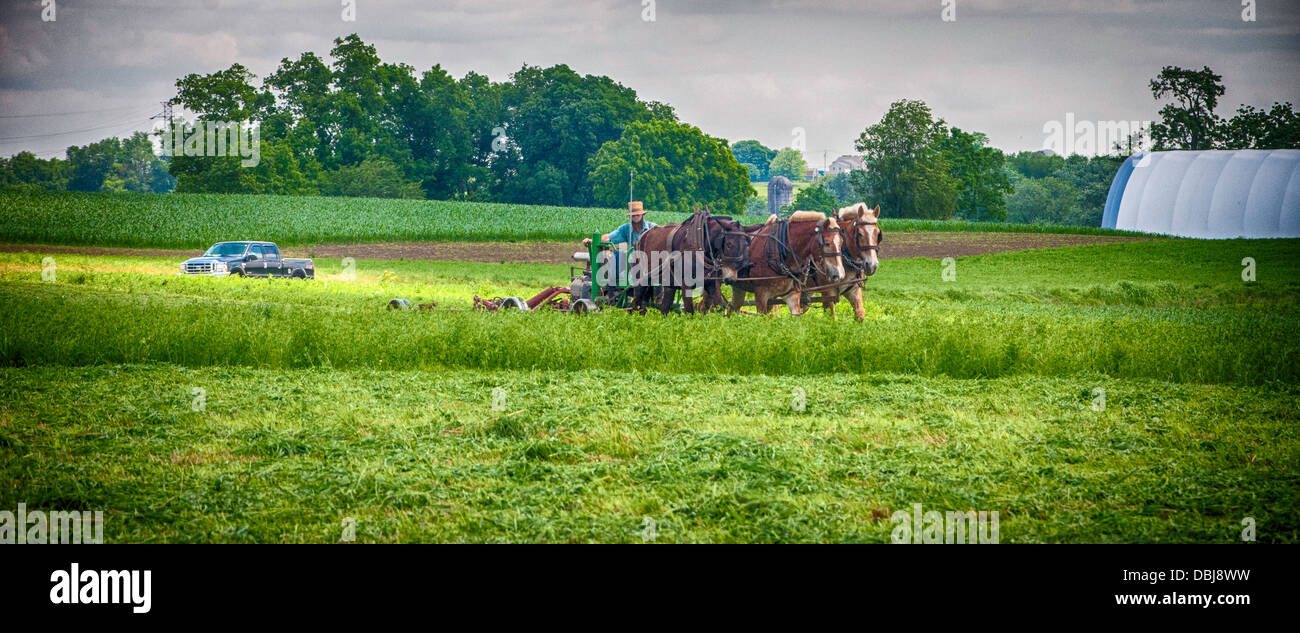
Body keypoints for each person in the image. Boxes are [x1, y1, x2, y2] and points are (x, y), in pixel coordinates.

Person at [583, 201, 658, 249]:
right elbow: (609, 237)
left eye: (638, 215)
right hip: (634, 264)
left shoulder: (653, 228)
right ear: (630, 216)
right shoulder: (625, 229)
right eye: (633, 215)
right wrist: (592, 241)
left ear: (642, 215)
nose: (635, 217)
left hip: (652, 263)